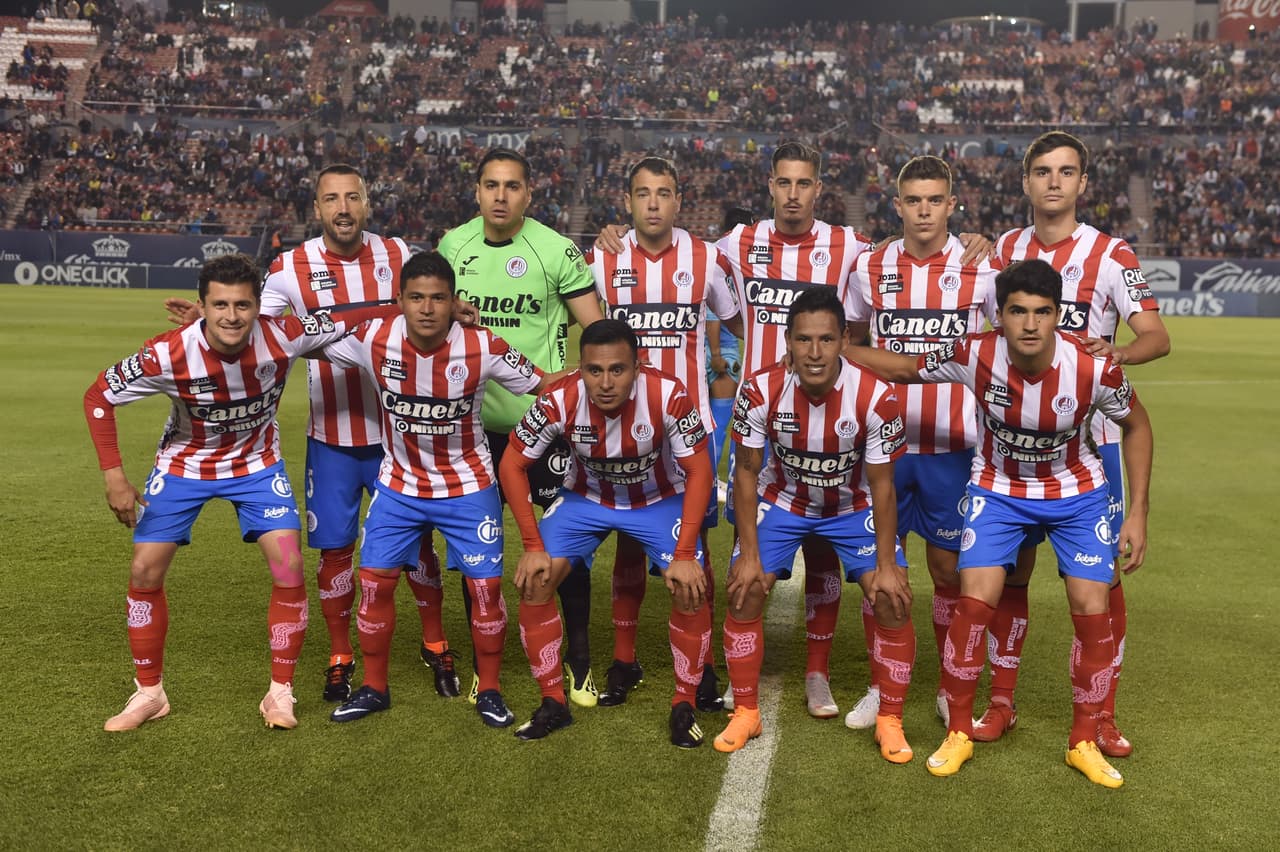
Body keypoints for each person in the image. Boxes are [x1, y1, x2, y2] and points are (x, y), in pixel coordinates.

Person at [848, 258, 1154, 788]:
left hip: (1076, 495)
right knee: (973, 602)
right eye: (1017, 312)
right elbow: (902, 367)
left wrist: (1139, 510)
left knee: (1091, 605)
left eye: (1041, 312)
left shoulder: (1093, 368)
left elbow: (1138, 424)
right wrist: (837, 348)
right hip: (998, 490)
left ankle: (1083, 740)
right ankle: (959, 731)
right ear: (1000, 316)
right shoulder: (974, 352)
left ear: (1059, 315)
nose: (1030, 324)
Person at [167, 164, 461, 704]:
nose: (343, 208)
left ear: (367, 202)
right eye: (332, 199)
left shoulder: (398, 255)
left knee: (419, 547)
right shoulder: (287, 270)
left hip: (401, 437)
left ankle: (437, 643)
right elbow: (251, 327)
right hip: (331, 437)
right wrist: (199, 326)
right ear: (317, 207)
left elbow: (431, 307)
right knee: (334, 552)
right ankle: (339, 655)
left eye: (352, 197)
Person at [85, 253, 393, 732]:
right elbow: (99, 395)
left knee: (289, 565)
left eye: (243, 305)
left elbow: (357, 316)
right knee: (144, 570)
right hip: (185, 465)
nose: (232, 316)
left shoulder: (283, 334)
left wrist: (424, 308)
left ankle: (279, 692)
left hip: (256, 465)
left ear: (259, 308)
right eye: (221, 305)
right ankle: (149, 693)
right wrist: (114, 477)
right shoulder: (168, 353)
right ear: (203, 307)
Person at [976, 132, 1171, 754]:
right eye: (1042, 171)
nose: (1053, 182)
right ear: (1026, 182)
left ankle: (1102, 713)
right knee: (1011, 576)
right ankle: (1000, 701)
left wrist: (1117, 351)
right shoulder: (1002, 250)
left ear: (1082, 183)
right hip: (1013, 449)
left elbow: (1156, 336)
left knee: (1100, 586)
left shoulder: (1112, 254)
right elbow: (984, 336)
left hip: (1093, 448)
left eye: (1066, 172)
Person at [320, 251, 551, 726]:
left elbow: (542, 384)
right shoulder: (374, 337)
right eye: (417, 298)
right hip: (399, 485)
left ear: (454, 302)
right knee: (373, 585)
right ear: (400, 300)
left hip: (468, 486)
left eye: (438, 298)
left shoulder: (483, 345)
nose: (427, 308)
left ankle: (488, 689)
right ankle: (374, 687)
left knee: (485, 591)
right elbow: (299, 341)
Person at [438, 147, 605, 707]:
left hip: (546, 431)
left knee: (567, 550)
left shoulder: (555, 249)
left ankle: (578, 663)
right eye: (491, 185)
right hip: (471, 434)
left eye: (512, 186)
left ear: (529, 193)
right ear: (478, 191)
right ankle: (490, 671)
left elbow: (599, 331)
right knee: (475, 555)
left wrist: (569, 380)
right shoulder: (452, 247)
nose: (501, 195)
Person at [713, 287, 909, 759]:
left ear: (844, 339)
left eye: (825, 339)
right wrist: (750, 554)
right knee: (745, 586)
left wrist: (887, 563)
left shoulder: (877, 396)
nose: (815, 352)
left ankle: (890, 720)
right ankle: (746, 712)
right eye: (803, 340)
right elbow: (744, 472)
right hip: (784, 500)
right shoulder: (761, 389)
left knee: (891, 596)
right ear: (788, 342)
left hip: (852, 505)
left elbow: (882, 487)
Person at [498, 319, 715, 746]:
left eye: (617, 370)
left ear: (638, 367)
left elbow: (699, 470)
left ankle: (684, 703)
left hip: (657, 499)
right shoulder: (559, 399)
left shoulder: (668, 394)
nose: (605, 382)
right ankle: (553, 703)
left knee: (690, 587)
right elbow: (511, 463)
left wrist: (686, 552)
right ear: (581, 369)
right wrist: (531, 546)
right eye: (594, 370)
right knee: (535, 580)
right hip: (587, 499)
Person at [843, 156, 999, 732]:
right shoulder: (871, 264)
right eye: (914, 200)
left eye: (935, 200)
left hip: (957, 444)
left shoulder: (982, 266)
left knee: (947, 569)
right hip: (883, 444)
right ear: (899, 204)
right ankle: (879, 682)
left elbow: (999, 346)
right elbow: (851, 338)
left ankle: (946, 684)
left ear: (951, 204)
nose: (925, 210)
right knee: (878, 566)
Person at [583, 156, 742, 710]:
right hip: (623, 430)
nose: (653, 203)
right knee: (629, 544)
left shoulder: (707, 258)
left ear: (679, 201)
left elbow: (735, 323)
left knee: (693, 547)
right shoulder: (603, 258)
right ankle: (624, 660)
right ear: (628, 201)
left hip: (689, 427)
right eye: (643, 194)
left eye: (664, 193)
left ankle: (701, 668)